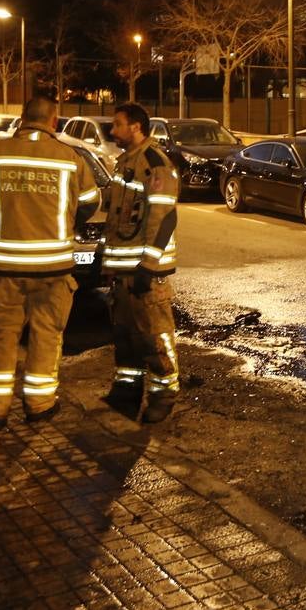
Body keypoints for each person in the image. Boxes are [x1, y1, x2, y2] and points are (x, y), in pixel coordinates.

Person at [0, 96, 101, 427]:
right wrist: (66, 222)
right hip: (54, 269)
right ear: (54, 121)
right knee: (47, 335)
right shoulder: (70, 158)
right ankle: (40, 404)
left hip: (7, 267)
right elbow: (91, 202)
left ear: (22, 119)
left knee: (0, 336)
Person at [101, 102, 182, 423]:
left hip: (145, 271)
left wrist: (148, 267)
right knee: (126, 335)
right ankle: (127, 391)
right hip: (123, 269)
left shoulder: (154, 163)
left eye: (117, 124)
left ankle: (165, 393)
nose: (112, 130)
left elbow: (165, 218)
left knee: (156, 335)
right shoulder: (127, 163)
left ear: (135, 127)